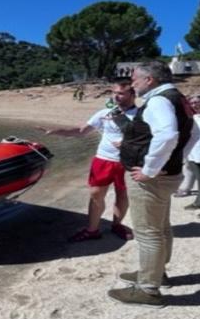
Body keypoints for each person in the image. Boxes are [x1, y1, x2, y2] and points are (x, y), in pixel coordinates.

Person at [108, 61, 193, 307]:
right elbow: (193, 132)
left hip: (151, 179)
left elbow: (168, 135)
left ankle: (148, 289)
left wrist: (150, 169)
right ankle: (155, 273)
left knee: (148, 233)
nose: (132, 83)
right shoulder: (178, 98)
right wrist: (175, 160)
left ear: (149, 80)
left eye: (135, 79)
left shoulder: (158, 101)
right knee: (162, 227)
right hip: (167, 175)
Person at [39, 81, 138, 242]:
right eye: (113, 92)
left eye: (120, 93)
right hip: (103, 159)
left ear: (132, 95)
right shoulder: (105, 113)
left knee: (122, 195)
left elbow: (151, 139)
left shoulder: (142, 115)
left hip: (126, 161)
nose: (116, 96)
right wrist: (57, 132)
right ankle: (92, 230)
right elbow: (81, 131)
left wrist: (128, 144)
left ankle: (117, 225)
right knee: (95, 194)